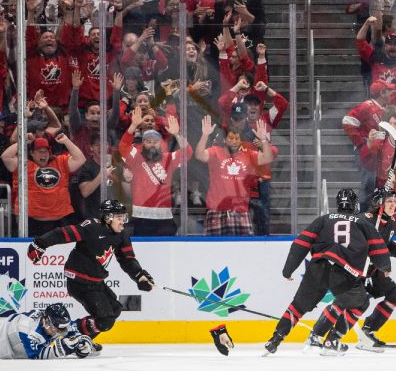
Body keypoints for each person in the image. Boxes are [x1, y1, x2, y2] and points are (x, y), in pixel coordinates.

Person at [264, 188, 392, 356]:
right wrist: (385, 267)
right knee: (360, 302)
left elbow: (300, 244)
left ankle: (275, 339)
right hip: (344, 273)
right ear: (354, 205)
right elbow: (379, 248)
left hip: (318, 267)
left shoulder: (323, 220)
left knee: (298, 306)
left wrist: (288, 270)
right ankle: (333, 340)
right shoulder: (362, 223)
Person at [26, 199, 155, 345]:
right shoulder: (92, 227)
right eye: (119, 217)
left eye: (124, 217)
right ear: (108, 218)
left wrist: (140, 276)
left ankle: (82, 340)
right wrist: (40, 243)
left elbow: (127, 259)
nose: (123, 221)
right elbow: (63, 233)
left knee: (114, 309)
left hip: (96, 282)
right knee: (105, 320)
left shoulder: (122, 235)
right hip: (79, 282)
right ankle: (71, 338)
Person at [349, 187, 396, 351]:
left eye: (395, 201)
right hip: (358, 269)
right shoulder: (365, 219)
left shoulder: (392, 222)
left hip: (374, 269)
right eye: (389, 201)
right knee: (358, 302)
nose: (393, 204)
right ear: (379, 203)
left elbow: (385, 244)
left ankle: (368, 331)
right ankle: (328, 334)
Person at [195, 115, 275, 235]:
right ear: (224, 140)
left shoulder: (248, 155)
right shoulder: (216, 152)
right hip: (217, 211)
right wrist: (205, 134)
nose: (234, 141)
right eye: (231, 138)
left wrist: (263, 140)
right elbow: (199, 155)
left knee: (243, 251)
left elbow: (267, 158)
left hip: (241, 212)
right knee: (214, 251)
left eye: (237, 139)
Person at [119, 107, 191, 236]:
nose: (152, 144)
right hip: (141, 216)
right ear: (143, 143)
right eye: (148, 141)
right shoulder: (136, 155)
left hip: (164, 217)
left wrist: (177, 134)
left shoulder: (167, 158)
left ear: (160, 144)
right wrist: (133, 125)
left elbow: (188, 153)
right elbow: (123, 146)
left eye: (155, 142)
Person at [1, 133, 86, 238]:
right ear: (32, 153)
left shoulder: (60, 162)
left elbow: (80, 159)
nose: (44, 154)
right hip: (31, 222)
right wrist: (23, 140)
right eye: (40, 151)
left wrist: (66, 141)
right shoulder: (24, 165)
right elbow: (6, 157)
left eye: (46, 151)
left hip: (60, 221)